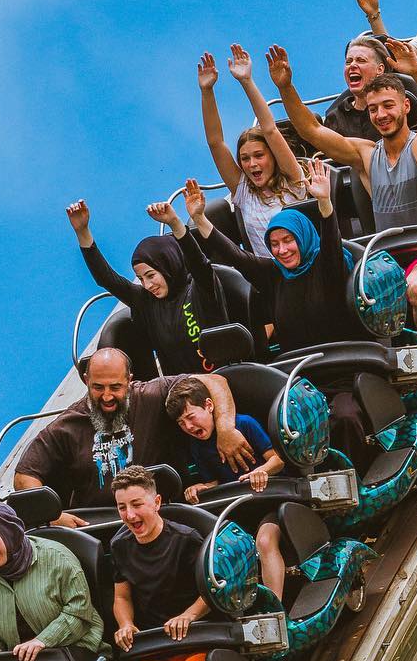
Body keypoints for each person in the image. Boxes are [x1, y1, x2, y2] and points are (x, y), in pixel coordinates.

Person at [184, 160, 377, 470]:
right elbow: (236, 257)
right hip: (300, 381)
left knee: (343, 417)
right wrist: (199, 220)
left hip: (344, 374)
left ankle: (359, 476)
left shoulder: (328, 268)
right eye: (274, 244)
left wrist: (324, 202)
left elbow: (329, 240)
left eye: (288, 241)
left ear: (302, 238)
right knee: (280, 426)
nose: (282, 250)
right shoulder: (274, 277)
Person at [268, 44, 417, 359]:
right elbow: (312, 131)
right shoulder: (367, 155)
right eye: (373, 109)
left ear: (406, 106)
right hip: (384, 262)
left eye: (388, 106)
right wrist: (286, 87)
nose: (381, 115)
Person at [15, 346, 255, 523]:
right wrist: (54, 517)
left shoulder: (151, 395)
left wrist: (225, 428)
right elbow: (25, 476)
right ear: (87, 381)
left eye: (115, 387)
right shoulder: (66, 425)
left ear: (129, 381)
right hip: (101, 523)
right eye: (98, 387)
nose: (107, 396)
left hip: (160, 515)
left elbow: (214, 381)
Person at [64, 197, 228, 376]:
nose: (147, 285)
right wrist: (83, 232)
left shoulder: (202, 286)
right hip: (179, 392)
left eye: (151, 275)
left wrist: (175, 223)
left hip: (220, 382)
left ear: (169, 265)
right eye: (141, 279)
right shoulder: (146, 301)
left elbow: (199, 262)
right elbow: (107, 279)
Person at [109, 465, 212, 661]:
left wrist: (188, 615)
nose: (129, 515)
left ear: (156, 503)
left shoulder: (187, 539)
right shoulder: (120, 545)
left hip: (194, 643)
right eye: (121, 508)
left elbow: (213, 590)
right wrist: (126, 624)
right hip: (156, 650)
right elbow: (122, 597)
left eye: (136, 505)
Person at [166, 376, 289, 597]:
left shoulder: (244, 424)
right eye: (181, 424)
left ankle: (275, 607)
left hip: (270, 503)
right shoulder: (197, 446)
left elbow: (277, 460)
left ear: (209, 405)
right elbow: (215, 481)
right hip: (241, 510)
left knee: (264, 540)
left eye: (191, 417)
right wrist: (200, 487)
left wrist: (262, 471)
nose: (188, 426)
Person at [198, 45, 309, 256]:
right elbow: (216, 142)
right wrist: (207, 91)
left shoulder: (293, 181)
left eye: (259, 155)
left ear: (273, 156)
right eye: (245, 159)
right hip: (269, 277)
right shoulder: (244, 192)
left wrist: (246, 81)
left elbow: (270, 129)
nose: (252, 164)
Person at [0, 500, 103, 661]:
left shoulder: (57, 556)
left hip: (74, 658)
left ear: (9, 532)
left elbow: (80, 613)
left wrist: (42, 641)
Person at [323, 36, 417, 140]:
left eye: (361, 60)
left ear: (380, 69)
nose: (352, 65)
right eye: (348, 62)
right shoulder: (334, 117)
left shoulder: (402, 105)